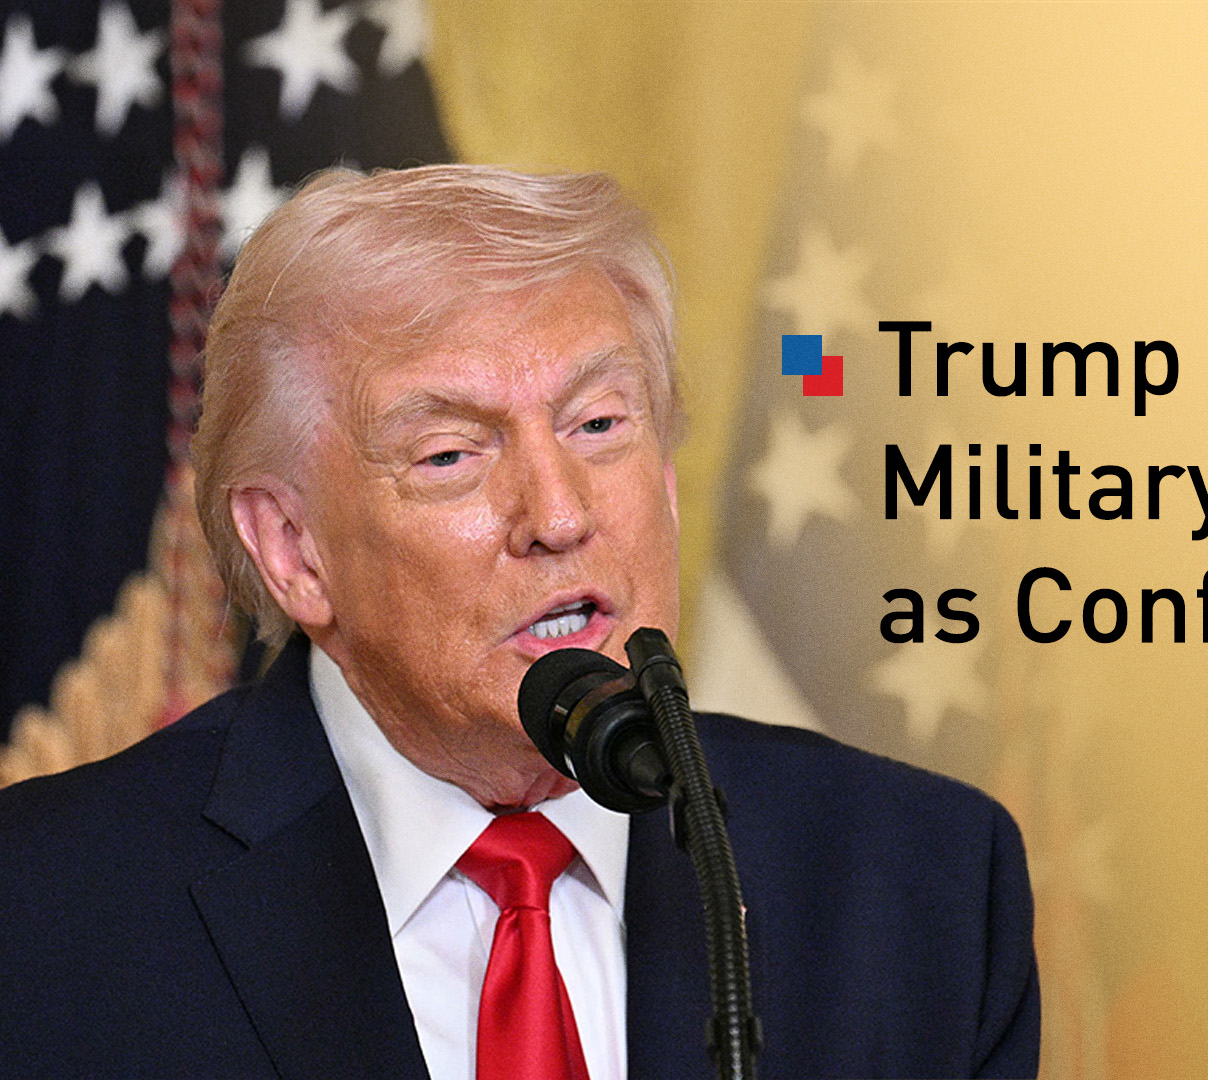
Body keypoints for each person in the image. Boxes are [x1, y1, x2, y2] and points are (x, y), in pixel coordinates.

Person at [0, 166, 1039, 1079]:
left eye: (599, 425)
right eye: (452, 454)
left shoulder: (923, 885)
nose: (558, 513)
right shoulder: (44, 916)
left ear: (670, 484)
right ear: (294, 551)